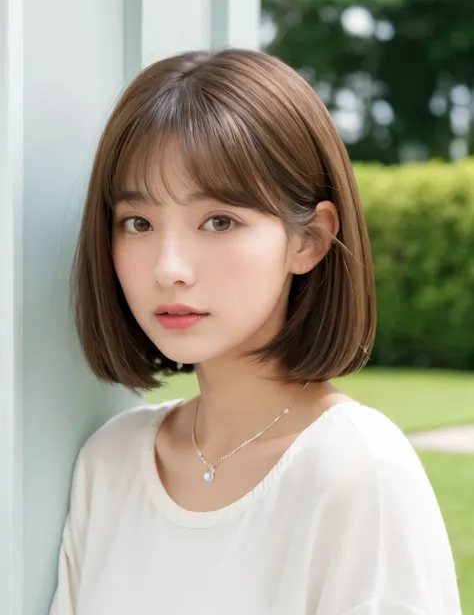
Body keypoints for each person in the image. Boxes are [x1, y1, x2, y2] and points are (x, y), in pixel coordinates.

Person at [49, 49, 462, 615]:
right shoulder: (111, 461)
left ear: (309, 239)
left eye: (219, 221)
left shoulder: (359, 471)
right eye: (138, 222)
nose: (169, 266)